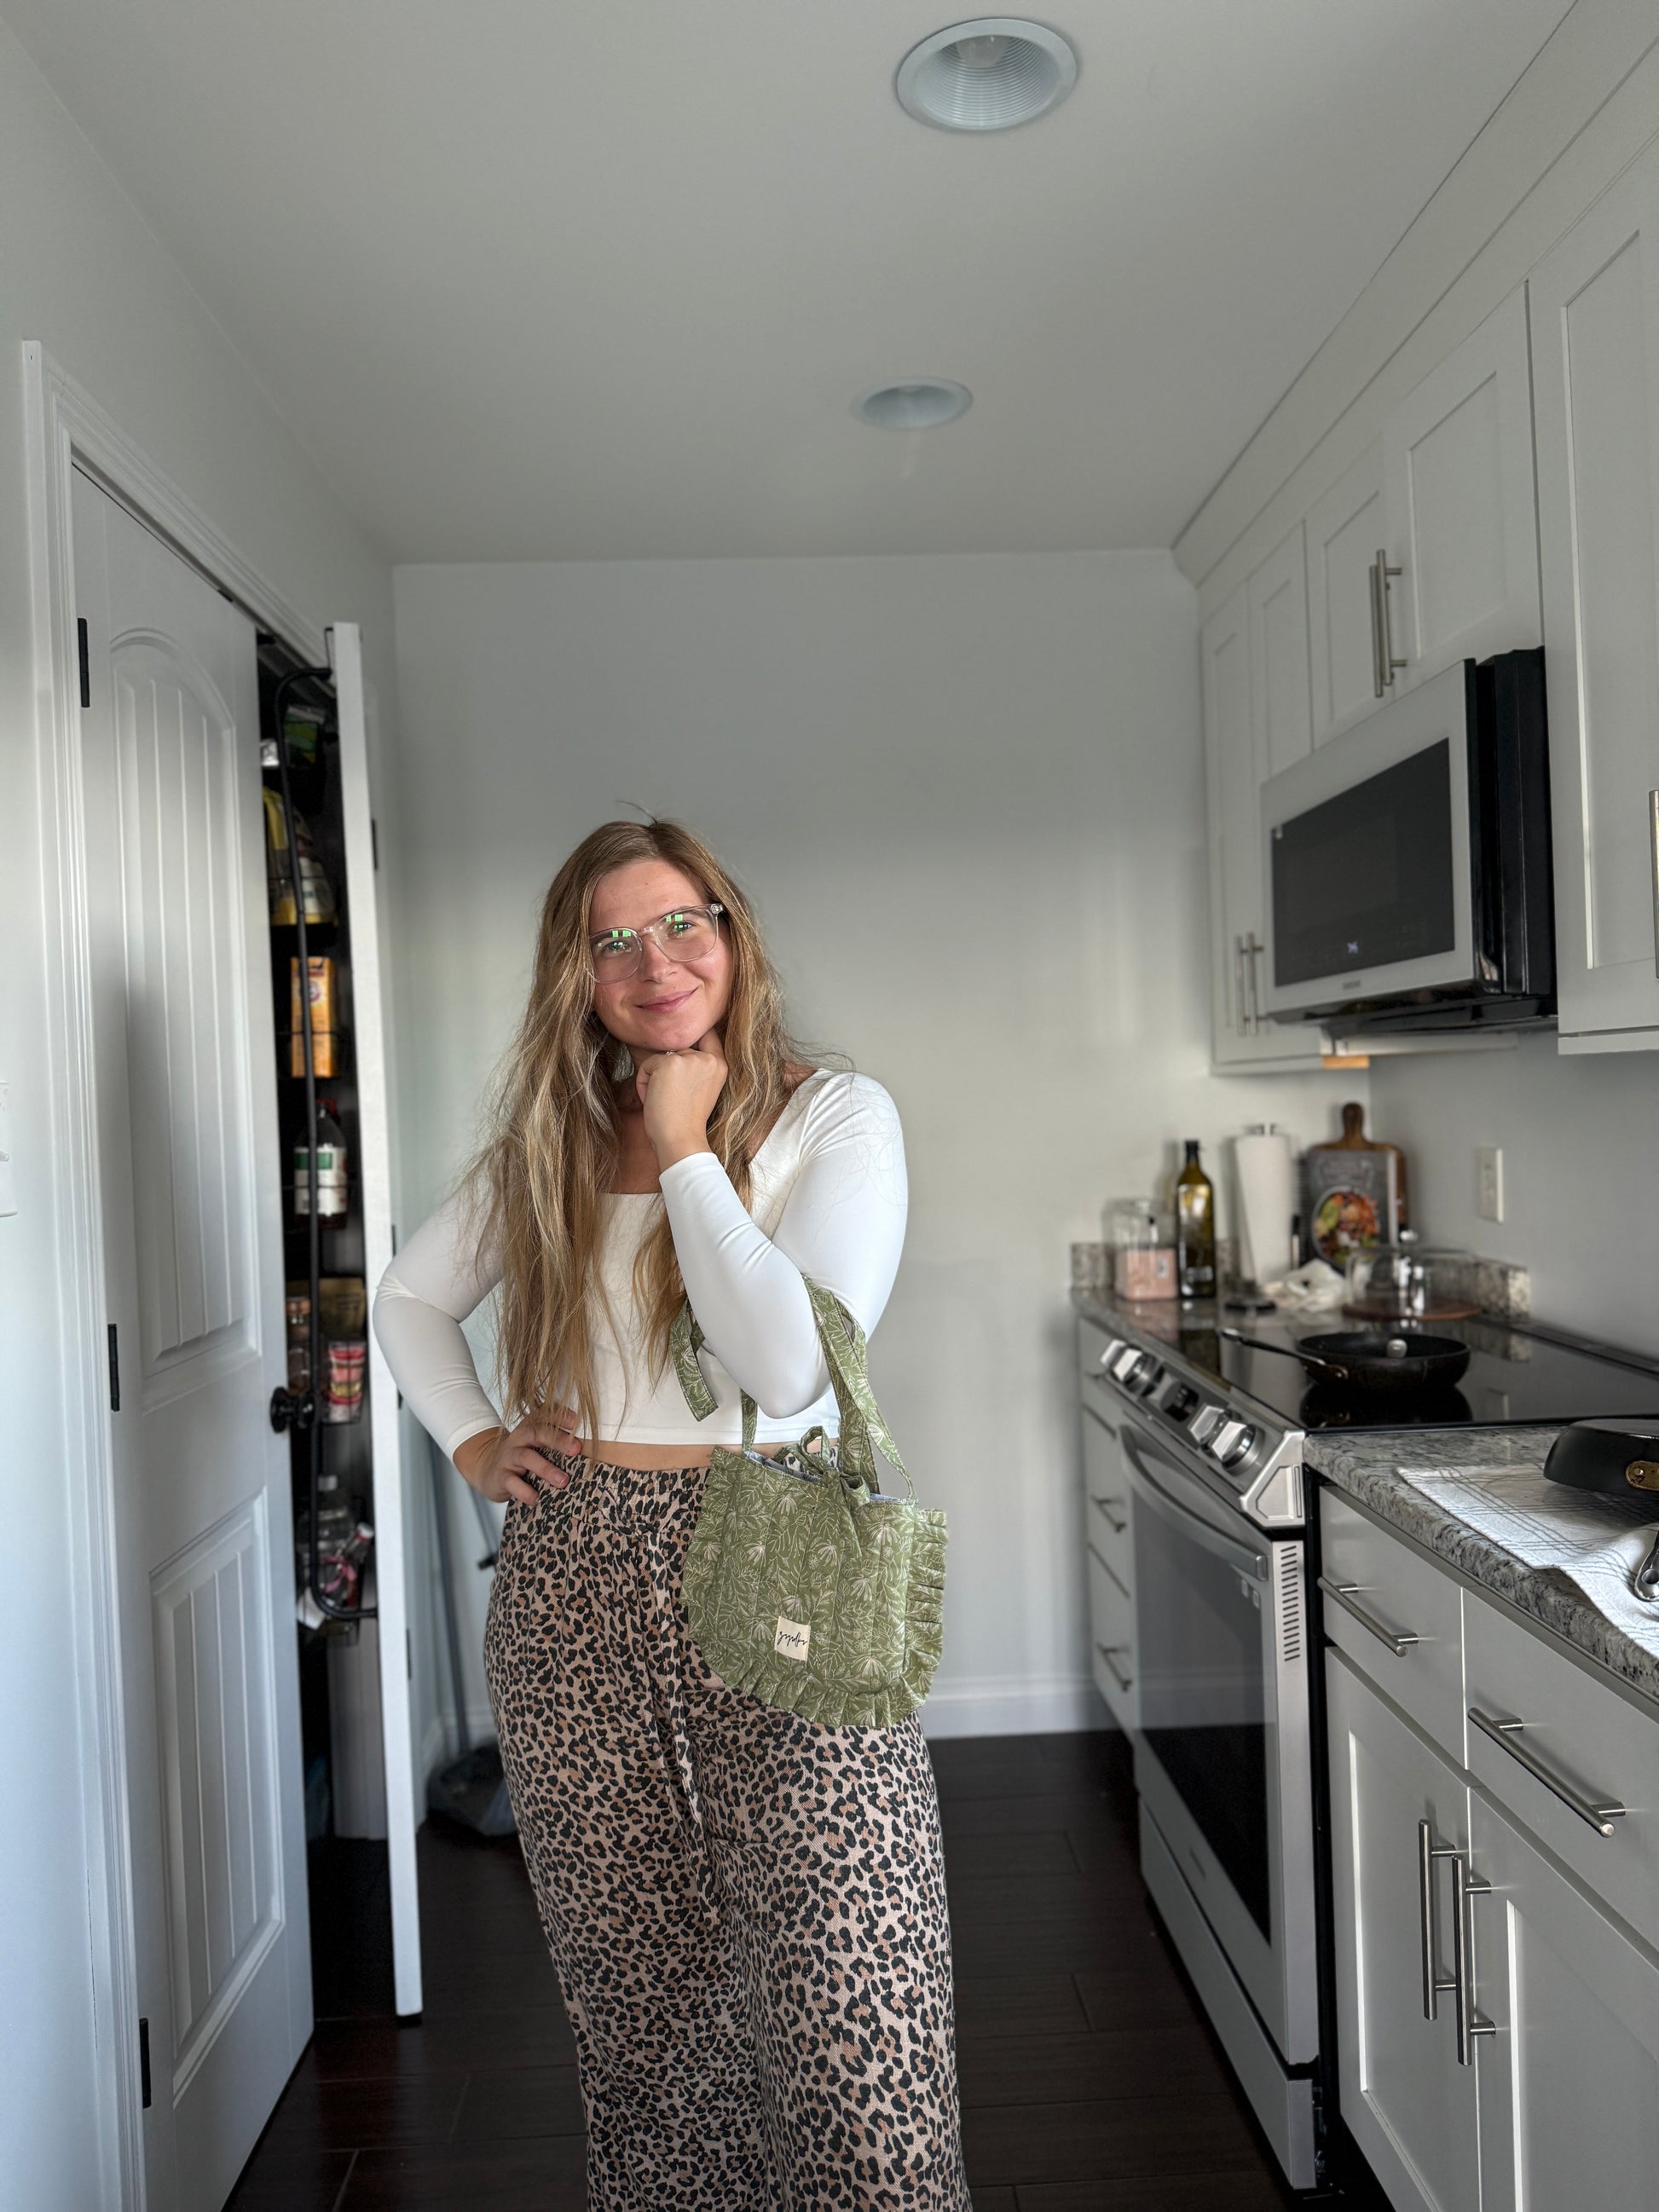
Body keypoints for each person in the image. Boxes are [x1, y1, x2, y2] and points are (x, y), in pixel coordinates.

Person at [373, 817, 970, 2210]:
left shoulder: (835, 1116)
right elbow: (407, 1298)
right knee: (642, 2011)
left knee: (855, 1980)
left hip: (784, 1551)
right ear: (577, 978)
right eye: (613, 942)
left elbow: (788, 1368)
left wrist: (690, 1145)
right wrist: (474, 1438)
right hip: (573, 1567)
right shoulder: (554, 1140)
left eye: (682, 922)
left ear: (732, 930)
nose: (656, 962)